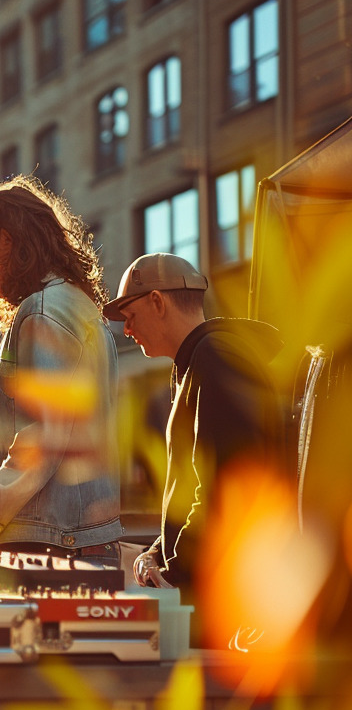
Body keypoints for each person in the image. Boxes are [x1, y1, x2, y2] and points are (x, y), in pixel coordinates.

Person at [0, 176, 122, 560]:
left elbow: (45, 432)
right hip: (74, 540)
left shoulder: (45, 309)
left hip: (50, 545)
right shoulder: (78, 306)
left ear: (7, 239)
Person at [104, 252, 284, 601]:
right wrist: (158, 553)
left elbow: (227, 485)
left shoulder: (216, 357)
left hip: (222, 595)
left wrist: (176, 572)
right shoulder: (199, 361)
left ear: (157, 302)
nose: (126, 330)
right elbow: (195, 490)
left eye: (130, 316)